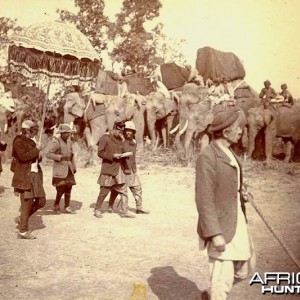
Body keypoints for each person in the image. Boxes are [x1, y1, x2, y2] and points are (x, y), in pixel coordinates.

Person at [195, 106, 255, 300]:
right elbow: (204, 198)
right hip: (221, 226)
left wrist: (240, 191)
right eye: (238, 128)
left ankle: (211, 295)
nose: (241, 131)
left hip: (236, 220)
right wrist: (214, 233)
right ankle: (216, 295)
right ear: (225, 130)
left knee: (247, 266)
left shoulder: (230, 153)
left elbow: (229, 183)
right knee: (222, 278)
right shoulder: (207, 156)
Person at [11, 120, 46, 239]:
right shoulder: (18, 141)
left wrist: (39, 153)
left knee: (42, 202)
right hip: (24, 176)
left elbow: (35, 159)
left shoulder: (32, 140)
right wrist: (37, 150)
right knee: (27, 203)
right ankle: (23, 231)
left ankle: (22, 219)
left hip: (35, 175)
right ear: (27, 130)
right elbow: (23, 157)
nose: (35, 132)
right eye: (33, 130)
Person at [94, 121, 135, 219]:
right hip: (108, 168)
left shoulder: (121, 139)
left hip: (119, 168)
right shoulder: (105, 138)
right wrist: (112, 156)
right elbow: (100, 153)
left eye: (122, 132)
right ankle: (97, 209)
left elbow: (126, 151)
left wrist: (123, 140)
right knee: (105, 190)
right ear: (114, 129)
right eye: (119, 132)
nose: (121, 133)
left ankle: (123, 211)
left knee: (122, 189)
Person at [108, 121, 150, 215]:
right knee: (120, 190)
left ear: (134, 132)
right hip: (121, 169)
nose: (129, 133)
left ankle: (139, 208)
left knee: (137, 187)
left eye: (131, 131)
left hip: (131, 169)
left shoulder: (134, 142)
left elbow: (133, 157)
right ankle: (121, 210)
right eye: (127, 130)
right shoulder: (119, 141)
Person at [46, 124, 77, 214]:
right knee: (61, 187)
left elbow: (72, 156)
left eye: (69, 133)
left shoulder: (69, 142)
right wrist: (58, 157)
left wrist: (74, 167)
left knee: (69, 186)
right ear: (62, 134)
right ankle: (56, 205)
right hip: (60, 169)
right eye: (66, 133)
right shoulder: (56, 142)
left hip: (69, 168)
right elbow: (48, 154)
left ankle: (67, 206)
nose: (68, 135)